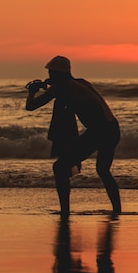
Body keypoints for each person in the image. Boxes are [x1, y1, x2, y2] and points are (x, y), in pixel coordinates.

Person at [26, 56, 121, 217]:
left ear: (57, 74)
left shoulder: (62, 88)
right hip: (112, 128)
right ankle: (117, 210)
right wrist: (47, 85)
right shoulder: (82, 82)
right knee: (103, 170)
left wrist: (32, 92)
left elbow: (31, 106)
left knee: (59, 167)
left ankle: (65, 212)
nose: (49, 75)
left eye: (51, 72)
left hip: (99, 132)